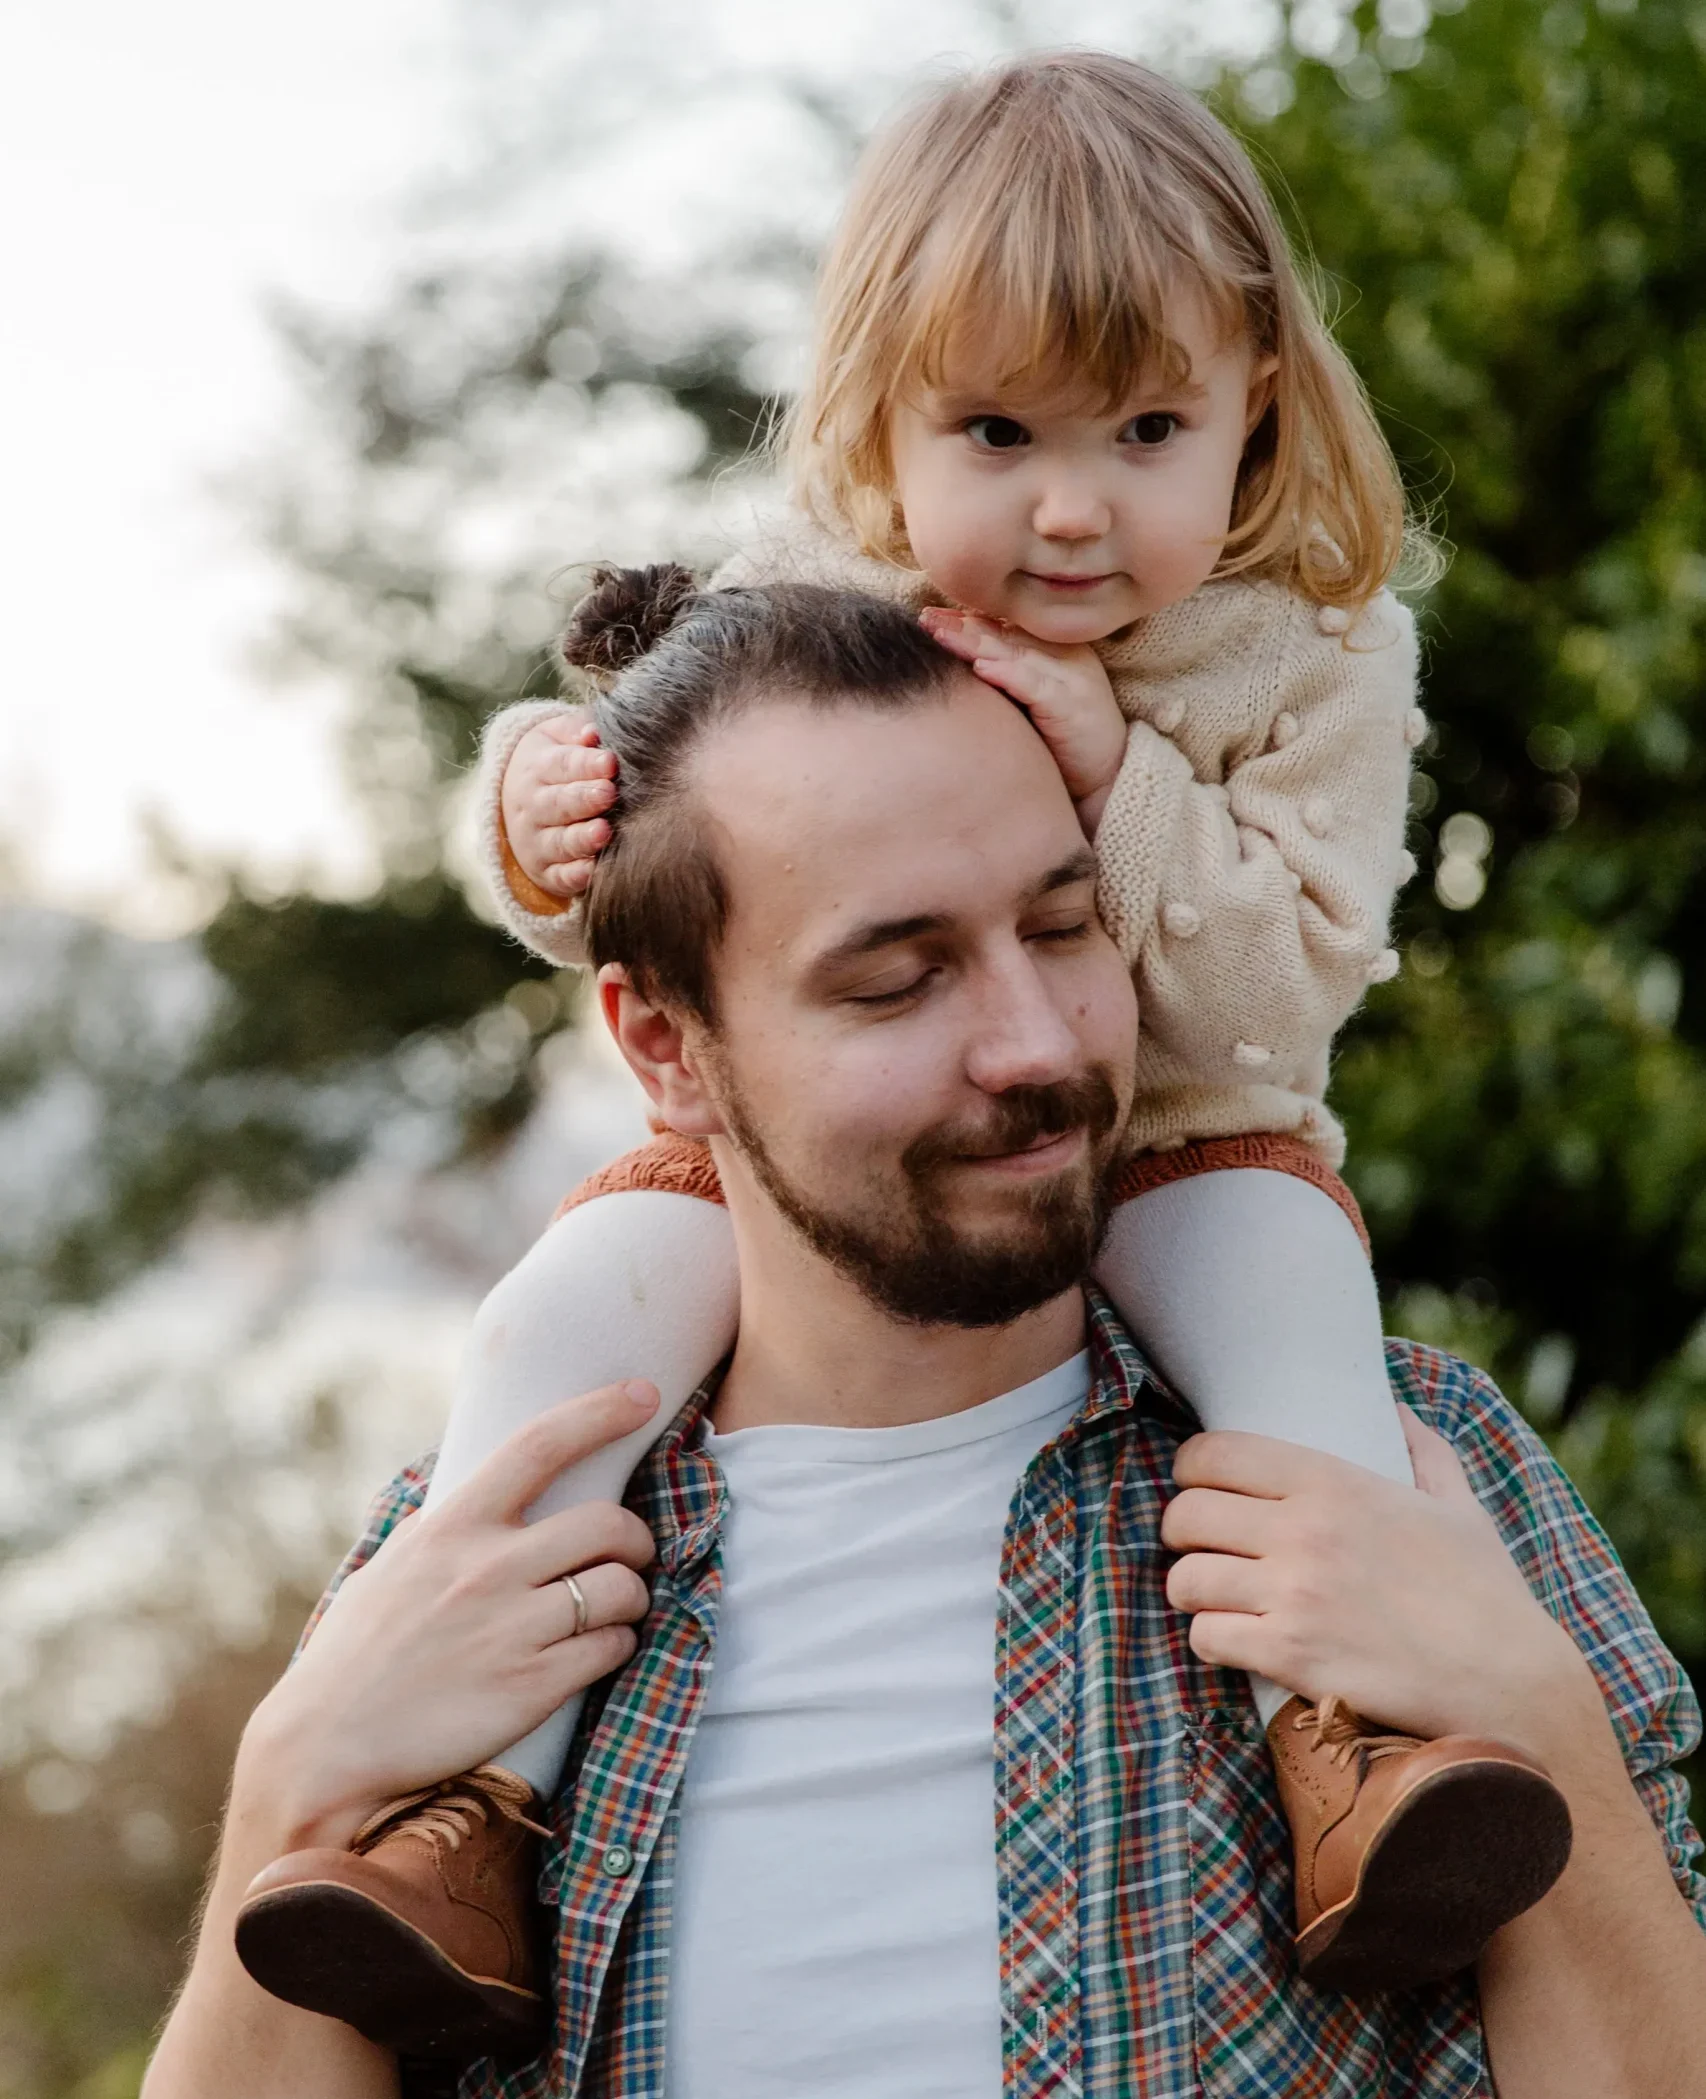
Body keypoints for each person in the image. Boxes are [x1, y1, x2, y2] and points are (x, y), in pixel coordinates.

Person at [259, 49, 1546, 2034]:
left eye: (1144, 428)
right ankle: (452, 1814)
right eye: (996, 429)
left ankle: (1354, 1749)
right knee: (554, 1325)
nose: (1065, 508)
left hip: (1192, 1135)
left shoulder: (1308, 646)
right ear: (880, 425)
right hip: (814, 1183)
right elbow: (641, 815)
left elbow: (1284, 980)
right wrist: (527, 801)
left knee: (1295, 1334)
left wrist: (1115, 772)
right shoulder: (824, 611)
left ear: (1256, 406)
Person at [146, 580, 1706, 2099]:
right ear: (665, 1047)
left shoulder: (1399, 1471)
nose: (1033, 1042)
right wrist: (292, 1785)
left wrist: (1543, 1725)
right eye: (896, 981)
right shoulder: (489, 1559)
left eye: (1064, 924)